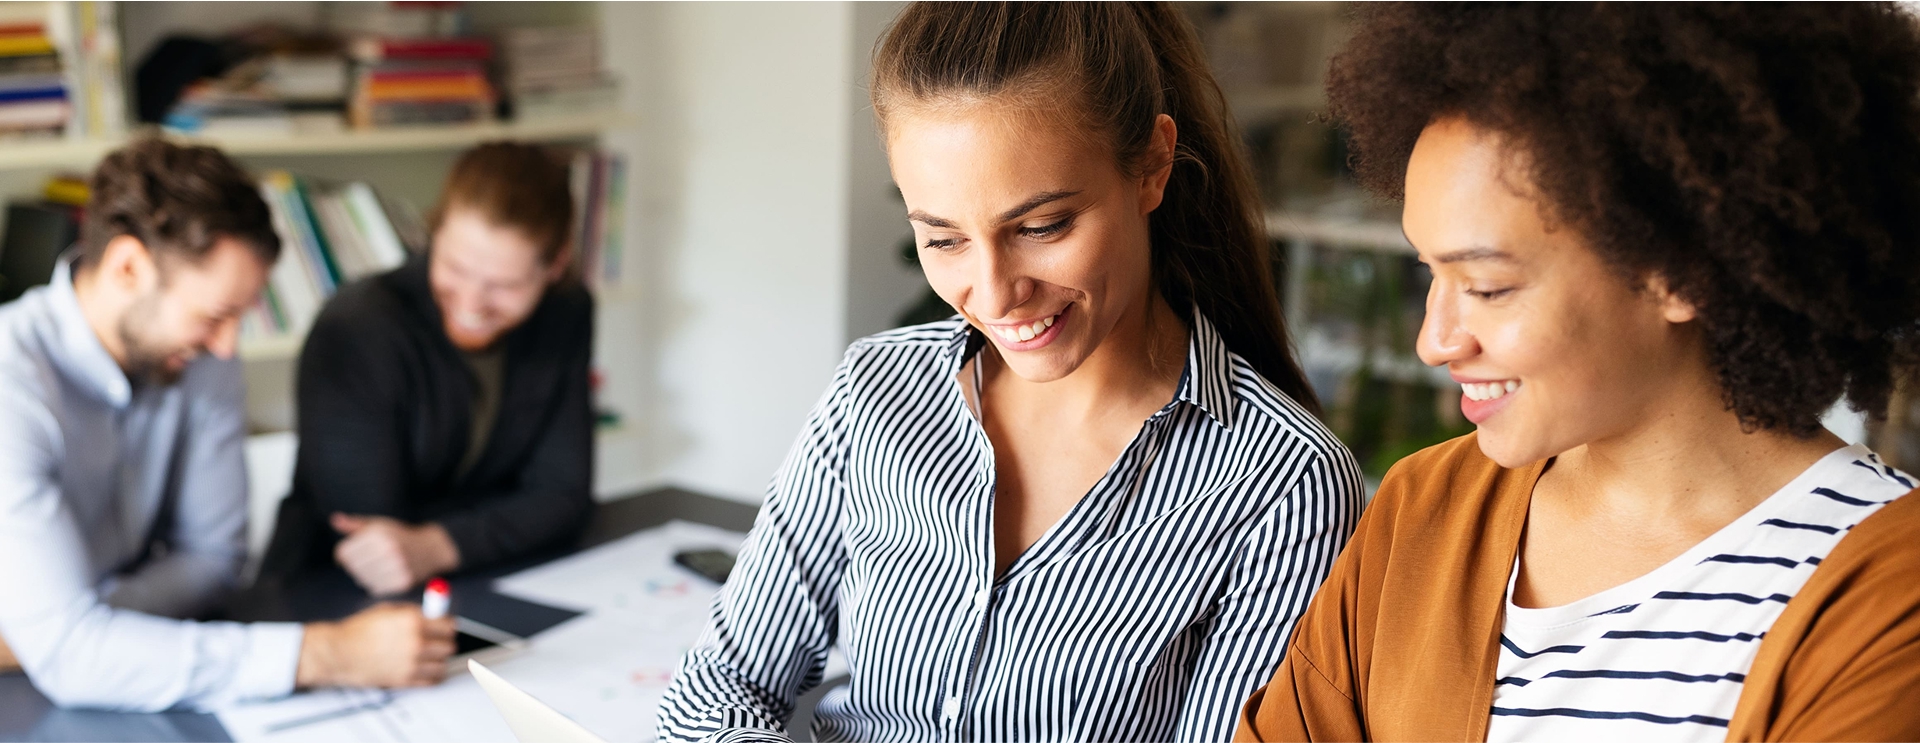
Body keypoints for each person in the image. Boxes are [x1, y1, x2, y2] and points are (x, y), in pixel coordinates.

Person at [658, 4, 1365, 741]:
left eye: (1041, 227)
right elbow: (719, 687)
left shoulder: (1284, 483)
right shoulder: (874, 392)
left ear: (1153, 164)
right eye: (944, 238)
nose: (993, 294)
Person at [1236, 4, 1920, 741]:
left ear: (1680, 270)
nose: (1434, 342)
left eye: (1489, 286)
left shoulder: (1886, 592)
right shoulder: (1423, 511)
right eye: (1428, 273)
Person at [0, 139, 454, 711]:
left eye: (239, 316)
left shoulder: (203, 354)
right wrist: (323, 654)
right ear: (128, 267)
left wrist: (77, 627)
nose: (227, 346)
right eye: (213, 316)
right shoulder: (10, 386)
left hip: (99, 667)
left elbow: (214, 558)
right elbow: (72, 660)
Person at [260, 142, 594, 597]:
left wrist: (435, 545)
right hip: (332, 591)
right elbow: (374, 539)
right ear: (432, 235)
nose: (472, 305)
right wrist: (507, 516)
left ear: (555, 266)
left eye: (504, 285)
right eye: (455, 267)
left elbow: (565, 496)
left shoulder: (566, 313)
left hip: (486, 578)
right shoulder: (358, 327)